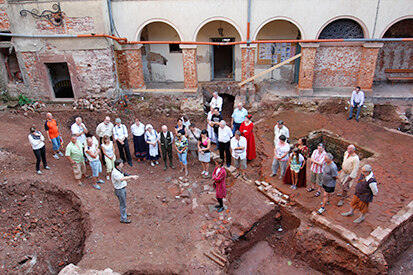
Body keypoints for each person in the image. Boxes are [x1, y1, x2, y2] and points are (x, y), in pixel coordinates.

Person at [111, 159, 139, 224]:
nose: (122, 165)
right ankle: (123, 218)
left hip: (122, 188)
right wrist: (131, 177)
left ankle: (124, 213)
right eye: (121, 164)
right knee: (122, 204)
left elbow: (123, 176)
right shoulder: (115, 173)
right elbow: (122, 178)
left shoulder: (118, 170)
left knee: (123, 202)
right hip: (120, 190)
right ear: (118, 165)